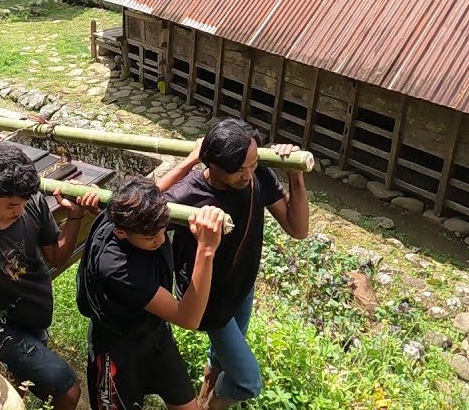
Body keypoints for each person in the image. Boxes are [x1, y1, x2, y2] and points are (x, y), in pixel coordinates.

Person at [158, 120, 308, 409]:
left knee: (220, 359)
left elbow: (297, 228)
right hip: (209, 302)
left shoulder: (255, 173)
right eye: (240, 169)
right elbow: (143, 208)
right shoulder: (188, 195)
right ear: (212, 165)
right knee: (246, 381)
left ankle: (205, 390)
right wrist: (187, 162)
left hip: (242, 286)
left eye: (253, 163)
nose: (249, 175)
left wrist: (295, 177)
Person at [0, 145, 100, 410]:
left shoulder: (30, 203)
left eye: (24, 203)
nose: (20, 211)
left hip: (35, 313)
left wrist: (75, 216)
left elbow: (56, 257)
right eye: (12, 205)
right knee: (68, 390)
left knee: (17, 386)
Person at [78, 178, 227, 410]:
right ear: (121, 232)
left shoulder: (134, 214)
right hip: (117, 349)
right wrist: (206, 251)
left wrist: (191, 159)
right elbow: (188, 318)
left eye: (162, 232)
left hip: (155, 336)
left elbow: (151, 193)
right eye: (150, 238)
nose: (159, 240)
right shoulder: (116, 267)